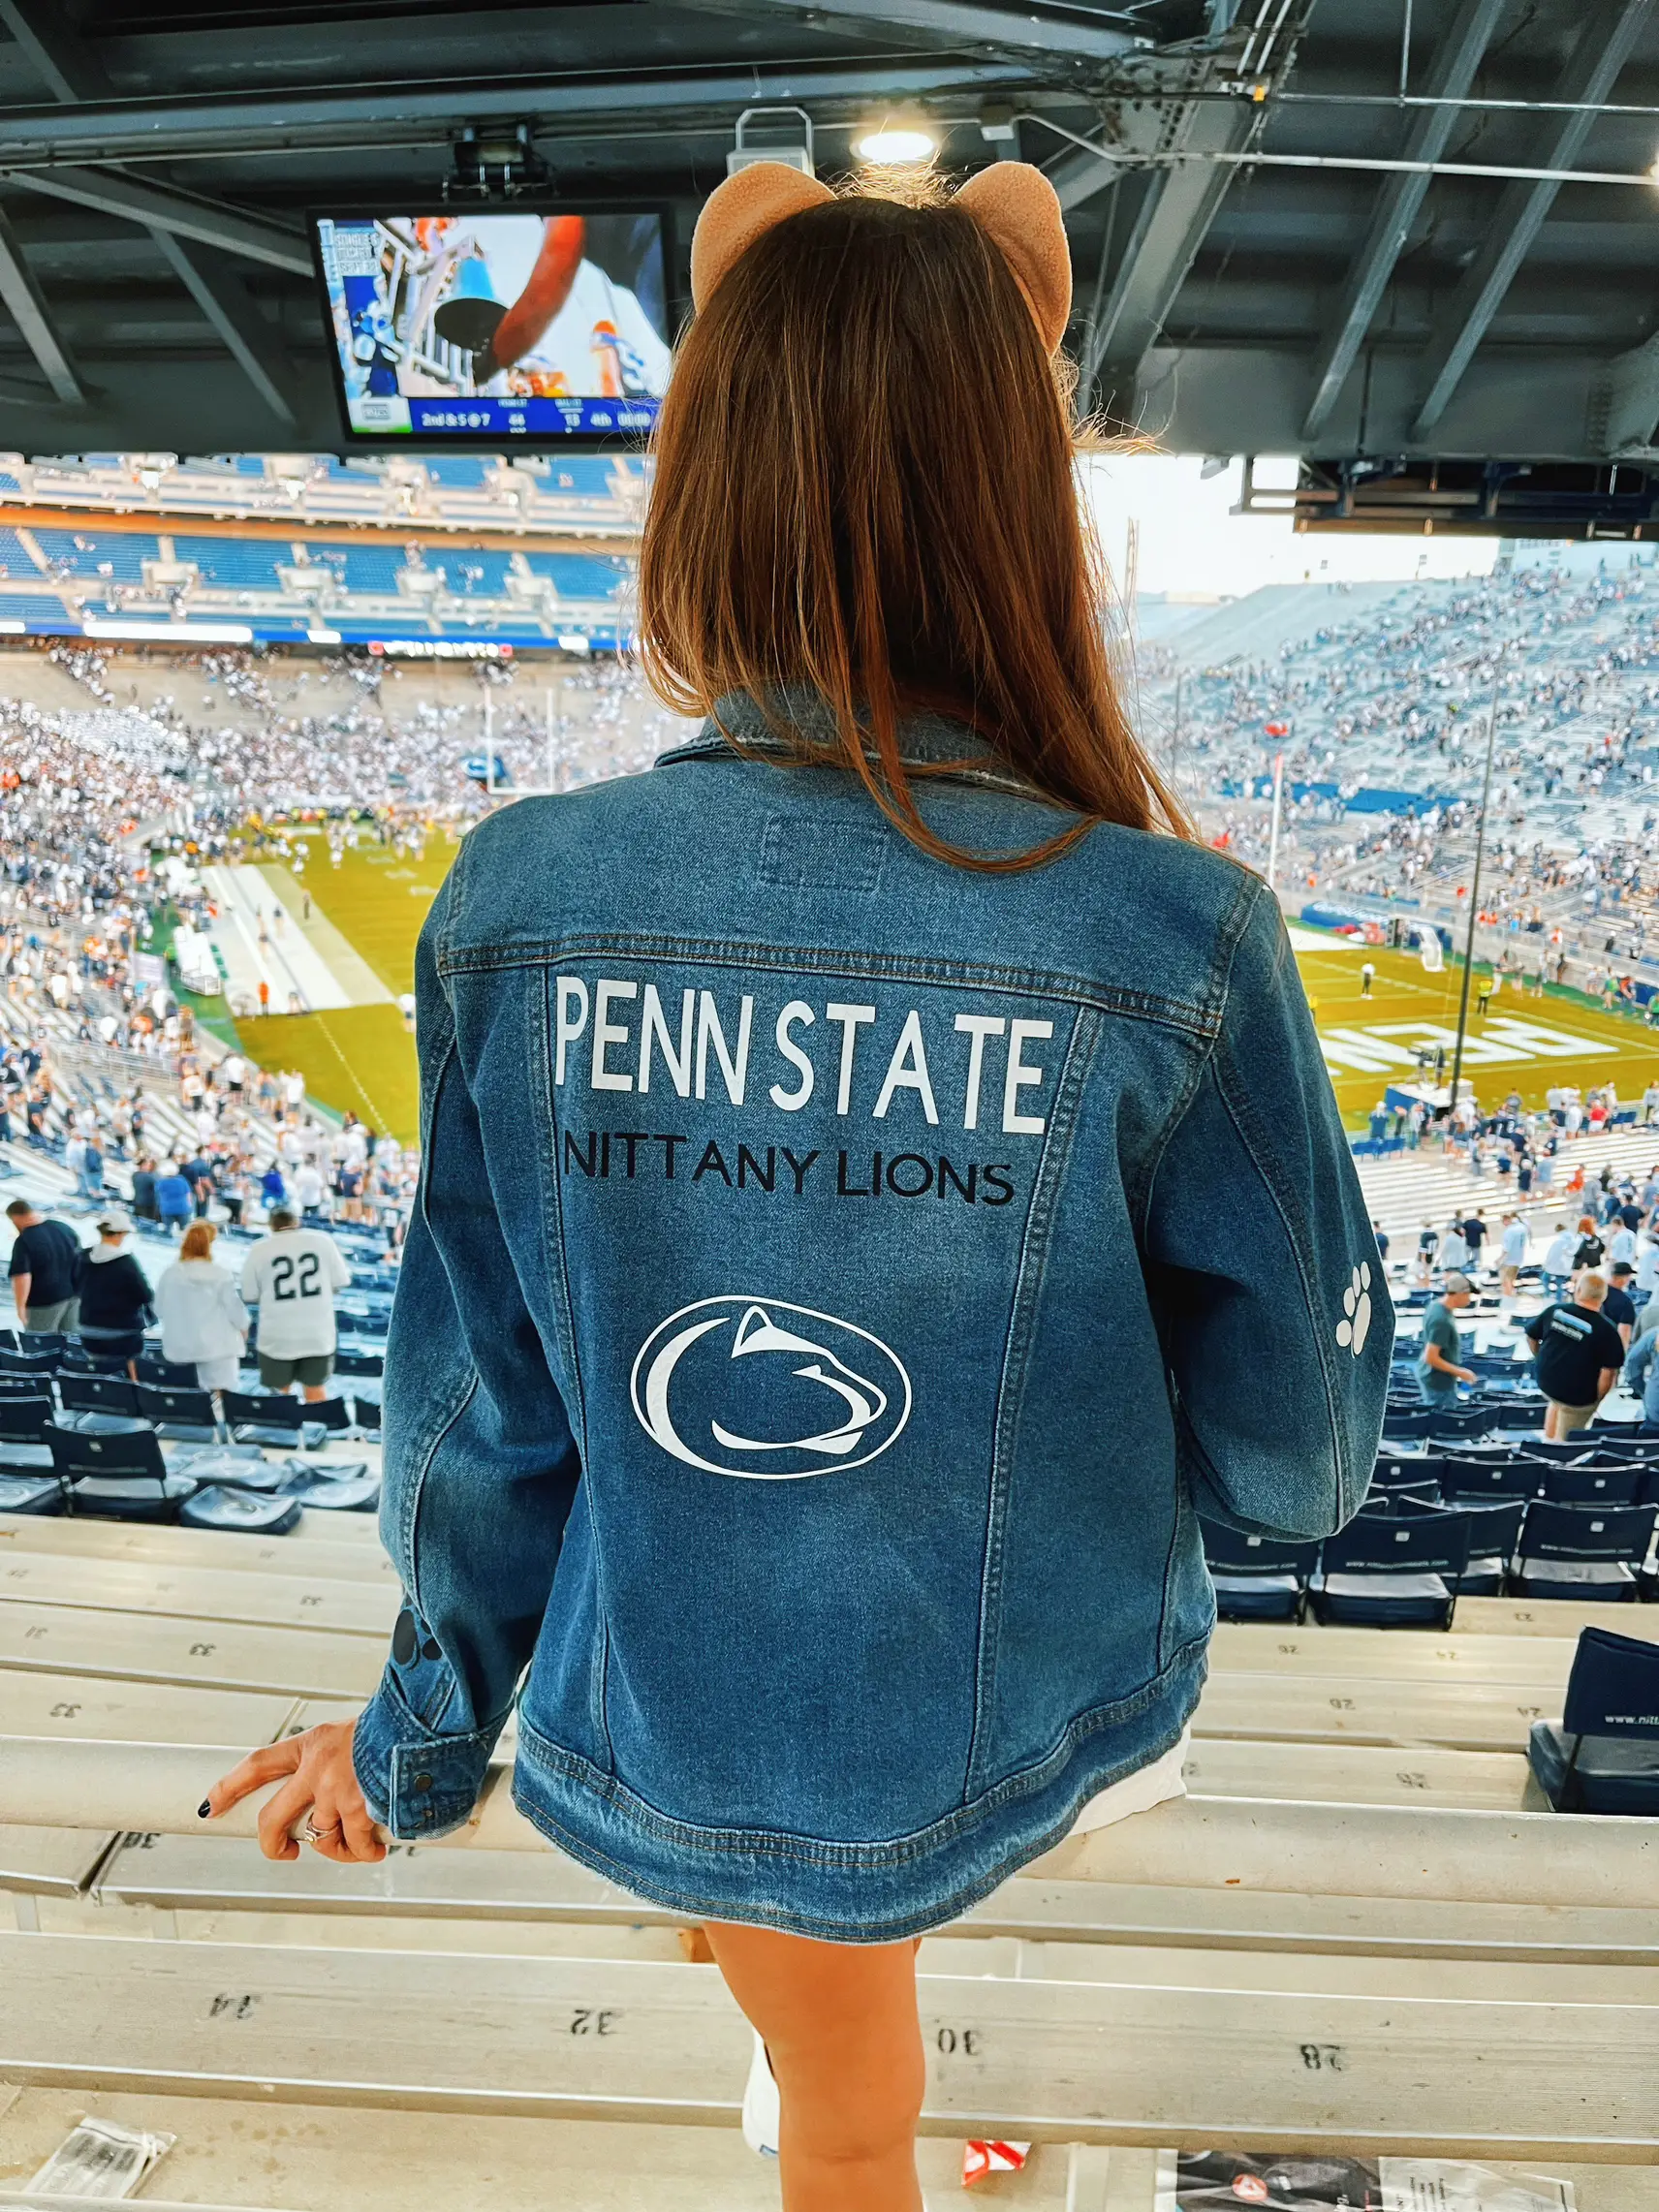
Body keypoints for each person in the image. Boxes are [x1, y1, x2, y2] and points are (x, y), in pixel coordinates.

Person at [204, 161, 1391, 2212]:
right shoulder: (1175, 931)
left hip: (671, 1712)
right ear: (1022, 491)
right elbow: (1300, 1468)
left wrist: (412, 1738)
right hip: (1031, 1712)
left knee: (831, 2069)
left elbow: (489, 1420)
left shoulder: (515, 901)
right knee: (845, 2074)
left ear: (707, 476)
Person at [238, 1202, 350, 1403]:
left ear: (271, 1226)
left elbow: (249, 1294)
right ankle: (317, 1427)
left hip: (277, 1336)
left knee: (280, 1397)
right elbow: (342, 1281)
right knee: (315, 1391)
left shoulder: (259, 1249)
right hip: (317, 1334)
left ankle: (287, 1432)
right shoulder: (322, 1241)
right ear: (296, 1222)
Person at [1525, 1272, 1625, 1440]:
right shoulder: (1608, 1330)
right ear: (1603, 1297)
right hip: (1578, 1396)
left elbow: (1531, 1336)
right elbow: (1608, 1374)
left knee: (1556, 1403)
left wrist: (1540, 1358)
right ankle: (1556, 1457)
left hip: (1548, 1383)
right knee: (1565, 1442)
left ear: (1578, 1290)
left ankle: (1548, 1442)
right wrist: (1596, 1399)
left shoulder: (1555, 1310)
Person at [156, 1220, 248, 1392]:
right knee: (222, 1399)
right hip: (218, 1350)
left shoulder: (170, 1274)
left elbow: (158, 1310)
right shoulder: (220, 1274)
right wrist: (244, 1328)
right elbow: (237, 1314)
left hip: (180, 1350)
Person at [75, 1208, 153, 1375]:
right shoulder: (125, 1262)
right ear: (119, 1234)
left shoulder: (82, 1257)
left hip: (88, 1331)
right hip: (123, 1334)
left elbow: (74, 1286)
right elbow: (145, 1295)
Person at [6, 1197, 81, 1334]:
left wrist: (20, 1308)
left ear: (15, 1218)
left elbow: (22, 1277)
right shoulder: (63, 1227)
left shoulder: (24, 1241)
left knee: (41, 1347)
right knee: (71, 1343)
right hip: (73, 1296)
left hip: (43, 1304)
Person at [1417, 1271, 1476, 1402]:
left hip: (1433, 1377)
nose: (1469, 1299)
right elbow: (1431, 1357)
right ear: (1459, 1294)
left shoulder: (1435, 1306)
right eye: (1468, 1295)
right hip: (1438, 1382)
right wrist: (1461, 1372)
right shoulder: (1442, 1320)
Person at [1603, 1261, 1639, 1349]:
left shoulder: (1597, 1292)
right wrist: (1622, 1355)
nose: (1629, 1279)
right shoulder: (1625, 1302)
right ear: (1621, 1278)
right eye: (1628, 1276)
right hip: (1609, 1345)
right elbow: (1624, 1332)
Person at [155, 1158, 194, 1237]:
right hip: (183, 1208)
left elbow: (157, 1192)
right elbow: (188, 1195)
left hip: (167, 1209)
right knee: (185, 1230)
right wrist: (189, 1206)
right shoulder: (182, 1180)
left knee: (167, 1230)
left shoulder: (161, 1182)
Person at [1498, 1210, 1527, 1294]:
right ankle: (1511, 1294)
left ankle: (1509, 1296)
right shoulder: (1522, 1227)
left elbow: (1507, 1248)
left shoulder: (1510, 1231)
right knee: (1511, 1280)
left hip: (1510, 1259)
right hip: (1519, 1258)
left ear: (1506, 1220)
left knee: (1506, 1280)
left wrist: (1499, 1259)